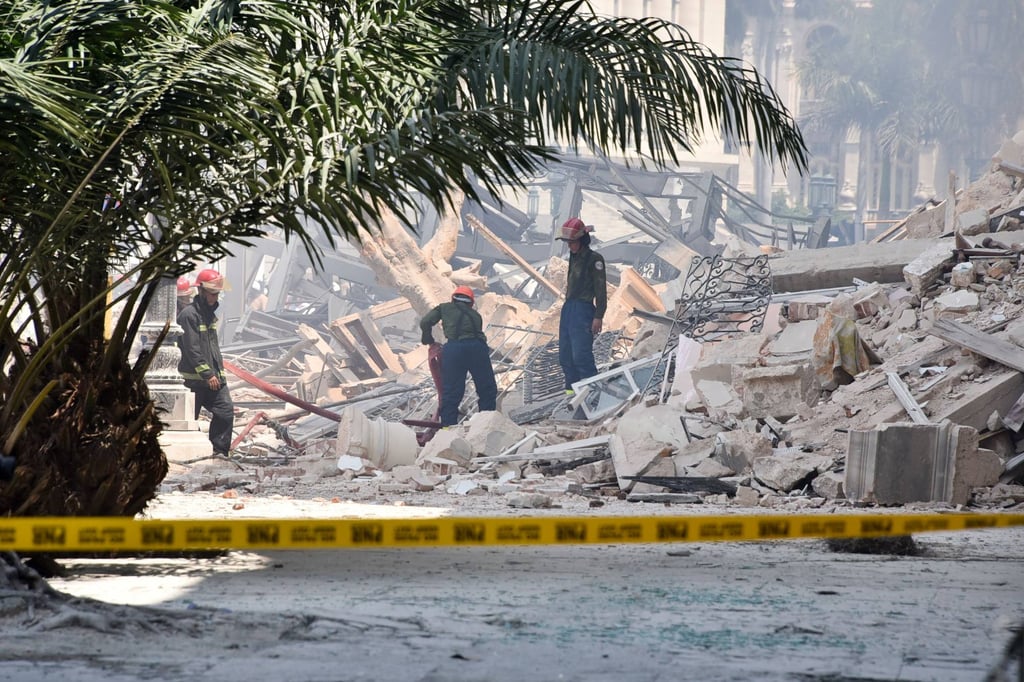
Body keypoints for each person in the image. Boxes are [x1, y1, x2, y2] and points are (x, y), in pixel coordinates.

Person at [419, 286, 498, 427]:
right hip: (477, 349)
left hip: (454, 349)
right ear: (471, 302)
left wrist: (428, 339)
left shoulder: (443, 308)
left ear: (453, 298)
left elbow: (425, 322)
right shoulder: (475, 315)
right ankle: (485, 427)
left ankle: (448, 430)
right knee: (487, 389)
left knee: (451, 392)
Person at [177, 268, 235, 457]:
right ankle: (187, 455)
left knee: (225, 411)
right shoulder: (189, 315)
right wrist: (207, 373)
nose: (215, 298)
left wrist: (217, 373)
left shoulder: (207, 314)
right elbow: (192, 349)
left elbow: (211, 347)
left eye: (217, 293)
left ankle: (219, 452)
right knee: (189, 420)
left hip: (213, 378)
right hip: (194, 381)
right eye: (212, 294)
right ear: (200, 291)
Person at [557, 217, 607, 395]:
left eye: (572, 242)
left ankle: (593, 397)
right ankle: (571, 397)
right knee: (566, 357)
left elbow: (600, 290)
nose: (569, 246)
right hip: (569, 309)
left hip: (583, 310)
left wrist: (598, 316)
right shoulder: (573, 256)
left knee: (581, 357)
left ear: (582, 240)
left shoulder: (595, 259)